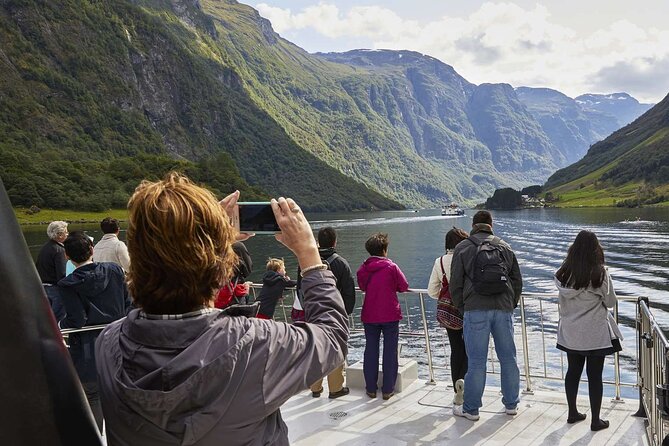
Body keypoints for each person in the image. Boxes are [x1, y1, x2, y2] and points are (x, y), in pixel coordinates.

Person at [95, 172, 348, 446]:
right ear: (222, 266)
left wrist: (213, 243)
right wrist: (309, 254)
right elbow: (332, 338)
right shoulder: (257, 343)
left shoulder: (108, 345)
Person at [450, 210, 523, 421]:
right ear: (491, 224)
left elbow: (456, 284)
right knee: (508, 358)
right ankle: (511, 404)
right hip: (503, 309)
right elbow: (517, 281)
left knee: (476, 362)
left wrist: (464, 308)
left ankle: (471, 409)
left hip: (475, 309)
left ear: (474, 225)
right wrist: (510, 304)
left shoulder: (463, 248)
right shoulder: (504, 246)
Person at [58, 231, 132, 432]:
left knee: (93, 394)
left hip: (88, 349)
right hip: (119, 341)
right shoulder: (115, 271)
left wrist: (61, 324)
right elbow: (127, 304)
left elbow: (78, 319)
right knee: (121, 390)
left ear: (67, 256)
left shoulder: (67, 285)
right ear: (92, 249)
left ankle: (98, 436)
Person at [555, 230, 622, 431]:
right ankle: (595, 420)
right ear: (595, 248)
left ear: (574, 249)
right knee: (595, 376)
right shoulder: (599, 272)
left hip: (570, 332)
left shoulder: (563, 273)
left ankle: (572, 413)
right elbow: (610, 302)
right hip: (594, 333)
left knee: (573, 372)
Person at [357, 233, 409, 400]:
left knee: (370, 350)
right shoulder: (392, 267)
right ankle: (388, 389)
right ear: (385, 250)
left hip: (370, 314)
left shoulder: (363, 269)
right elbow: (403, 286)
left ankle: (371, 388)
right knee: (390, 351)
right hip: (390, 314)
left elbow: (363, 286)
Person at [307, 226, 356, 399]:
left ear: (319, 242)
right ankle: (335, 388)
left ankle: (315, 387)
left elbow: (301, 288)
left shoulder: (308, 262)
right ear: (335, 242)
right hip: (336, 314)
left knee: (315, 349)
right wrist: (345, 313)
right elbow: (349, 292)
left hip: (312, 314)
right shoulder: (341, 263)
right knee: (336, 348)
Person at [427, 227, 469, 405]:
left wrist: (445, 298)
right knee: (469, 350)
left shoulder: (440, 262)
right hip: (468, 309)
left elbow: (431, 291)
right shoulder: (468, 257)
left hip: (450, 313)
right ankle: (465, 382)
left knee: (455, 349)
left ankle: (456, 389)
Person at [35, 220, 68, 322]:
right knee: (58, 317)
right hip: (55, 288)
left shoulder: (46, 247)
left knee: (48, 317)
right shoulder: (59, 250)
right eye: (66, 232)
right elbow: (62, 273)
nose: (68, 234)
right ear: (59, 235)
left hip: (44, 287)